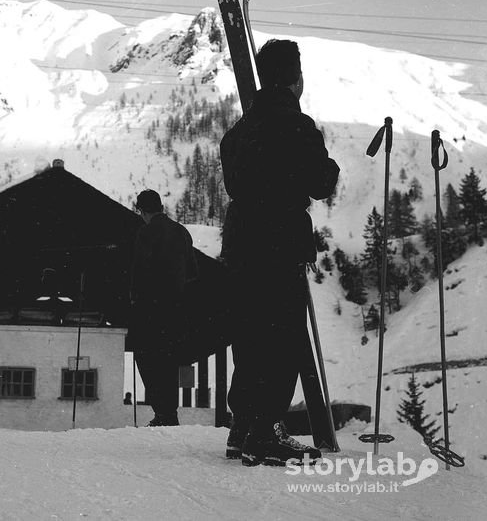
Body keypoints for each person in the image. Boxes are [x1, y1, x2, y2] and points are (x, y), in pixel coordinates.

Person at [219, 39, 340, 467]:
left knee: (249, 335)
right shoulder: (297, 126)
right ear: (296, 78)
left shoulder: (237, 133)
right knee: (282, 335)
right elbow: (320, 184)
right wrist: (328, 167)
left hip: (240, 241)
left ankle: (243, 426)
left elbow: (238, 185)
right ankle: (267, 430)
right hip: (279, 240)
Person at [130, 189, 198, 426]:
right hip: (176, 309)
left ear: (142, 211)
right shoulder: (181, 232)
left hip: (151, 308)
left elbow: (139, 272)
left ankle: (162, 413)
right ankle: (170, 413)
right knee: (168, 360)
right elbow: (192, 273)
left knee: (147, 357)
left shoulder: (145, 233)